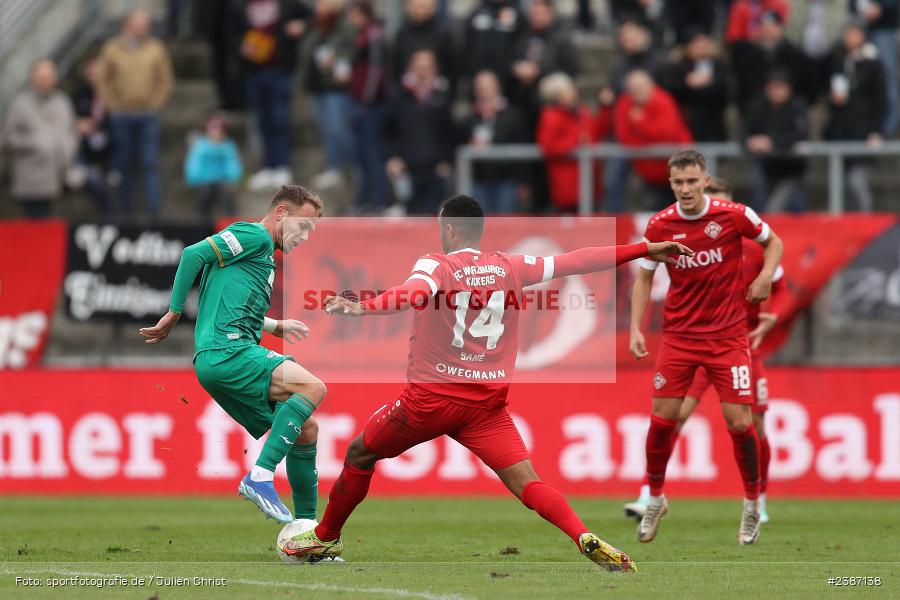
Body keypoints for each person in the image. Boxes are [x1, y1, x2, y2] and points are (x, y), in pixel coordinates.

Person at [281, 194, 694, 568]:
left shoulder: (436, 265)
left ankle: (324, 536)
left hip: (430, 401)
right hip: (486, 407)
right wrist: (645, 248)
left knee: (359, 454)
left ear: (447, 228)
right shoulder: (508, 265)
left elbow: (411, 293)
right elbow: (579, 260)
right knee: (528, 483)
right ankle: (579, 533)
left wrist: (362, 308)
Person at [139, 185, 327, 526]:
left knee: (307, 430)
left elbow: (229, 301)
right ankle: (260, 476)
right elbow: (192, 255)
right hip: (228, 352)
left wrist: (273, 326)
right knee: (313, 388)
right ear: (282, 213)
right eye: (304, 226)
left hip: (223, 356)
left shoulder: (262, 255)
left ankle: (308, 532)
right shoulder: (253, 234)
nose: (305, 237)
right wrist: (175, 312)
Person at [629, 149, 783, 546]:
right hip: (679, 336)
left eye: (692, 181)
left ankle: (751, 504)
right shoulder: (661, 224)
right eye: (678, 182)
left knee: (739, 423)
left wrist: (765, 276)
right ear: (671, 183)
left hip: (728, 337)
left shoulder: (733, 215)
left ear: (705, 179)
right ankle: (656, 498)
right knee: (662, 420)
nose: (685, 189)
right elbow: (644, 278)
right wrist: (636, 328)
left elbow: (774, 242)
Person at [97, 9, 174, 217]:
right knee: (124, 162)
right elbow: (103, 80)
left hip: (148, 114)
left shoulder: (156, 49)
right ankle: (126, 211)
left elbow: (165, 80)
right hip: (122, 114)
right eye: (138, 25)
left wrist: (155, 104)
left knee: (150, 163)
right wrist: (113, 106)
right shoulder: (112, 49)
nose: (143, 29)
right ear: (127, 26)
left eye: (146, 25)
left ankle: (153, 212)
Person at [241, 0, 311, 191]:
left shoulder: (286, 4)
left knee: (279, 119)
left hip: (279, 70)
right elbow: (231, 29)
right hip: (255, 70)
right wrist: (241, 46)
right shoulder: (244, 5)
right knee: (262, 121)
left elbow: (308, 14)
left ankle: (282, 165)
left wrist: (300, 25)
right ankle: (268, 166)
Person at [383, 50, 455, 215]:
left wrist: (446, 160)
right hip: (406, 169)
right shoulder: (399, 96)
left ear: (434, 69)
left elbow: (449, 132)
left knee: (434, 219)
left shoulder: (442, 96)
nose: (422, 72)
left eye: (426, 67)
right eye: (418, 67)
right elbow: (388, 130)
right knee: (408, 217)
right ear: (411, 69)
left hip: (435, 170)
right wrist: (393, 157)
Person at [4, 59, 78, 219]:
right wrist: (36, 144)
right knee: (38, 226)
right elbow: (9, 137)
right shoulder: (20, 104)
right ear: (33, 79)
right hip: (33, 180)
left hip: (62, 177)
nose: (46, 82)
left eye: (49, 77)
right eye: (41, 78)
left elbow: (71, 131)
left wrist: (68, 148)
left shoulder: (62, 101)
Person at [825, 21, 886, 212]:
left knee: (856, 182)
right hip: (839, 132)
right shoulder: (837, 60)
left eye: (854, 33)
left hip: (863, 131)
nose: (850, 38)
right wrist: (832, 99)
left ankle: (864, 225)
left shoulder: (873, 62)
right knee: (839, 184)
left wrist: (877, 130)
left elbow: (881, 100)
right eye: (847, 34)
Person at [612, 70, 693, 211]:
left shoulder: (663, 100)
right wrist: (647, 140)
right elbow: (625, 139)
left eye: (641, 88)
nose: (637, 93)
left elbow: (667, 135)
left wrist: (641, 123)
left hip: (677, 169)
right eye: (633, 90)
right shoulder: (624, 103)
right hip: (649, 172)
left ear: (651, 86)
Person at [535, 73, 608, 213]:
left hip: (589, 181)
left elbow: (597, 131)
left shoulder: (582, 112)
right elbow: (547, 146)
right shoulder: (551, 116)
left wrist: (605, 108)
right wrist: (576, 142)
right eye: (568, 90)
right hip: (568, 186)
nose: (573, 93)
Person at [304, 0, 356, 191]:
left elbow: (351, 50)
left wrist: (337, 61)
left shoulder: (344, 24)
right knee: (326, 129)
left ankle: (346, 168)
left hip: (336, 87)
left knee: (338, 129)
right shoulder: (315, 24)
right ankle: (333, 168)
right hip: (318, 85)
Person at [744, 70, 809, 212]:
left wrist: (772, 142)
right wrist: (751, 142)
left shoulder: (797, 106)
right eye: (774, 87)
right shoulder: (759, 106)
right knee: (763, 210)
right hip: (767, 167)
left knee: (777, 209)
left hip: (792, 169)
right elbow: (745, 133)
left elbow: (801, 135)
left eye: (781, 87)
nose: (777, 92)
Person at [464, 70, 527, 214]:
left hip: (506, 180)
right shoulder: (471, 116)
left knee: (504, 225)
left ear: (497, 87)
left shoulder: (512, 115)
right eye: (479, 87)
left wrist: (523, 182)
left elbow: (522, 147)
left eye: (487, 86)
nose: (483, 90)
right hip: (478, 180)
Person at [347, 0, 389, 213]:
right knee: (361, 154)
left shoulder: (373, 35)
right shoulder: (363, 35)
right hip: (361, 102)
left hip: (370, 105)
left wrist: (366, 99)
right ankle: (364, 199)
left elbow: (374, 70)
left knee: (372, 153)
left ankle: (379, 200)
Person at [662, 30, 729, 142]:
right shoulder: (679, 66)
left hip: (713, 123)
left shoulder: (718, 65)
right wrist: (688, 83)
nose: (701, 47)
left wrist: (706, 84)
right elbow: (673, 92)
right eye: (696, 44)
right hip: (688, 122)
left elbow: (722, 92)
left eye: (704, 43)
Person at [850, 0, 899, 135]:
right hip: (862, 26)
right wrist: (861, 9)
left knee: (887, 74)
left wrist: (879, 8)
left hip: (884, 29)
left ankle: (890, 125)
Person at [184, 114, 243, 215]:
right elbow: (194, 165)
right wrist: (196, 179)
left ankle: (230, 219)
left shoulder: (228, 147)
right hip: (204, 181)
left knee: (227, 194)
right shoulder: (200, 146)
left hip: (223, 181)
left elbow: (233, 165)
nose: (215, 133)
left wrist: (233, 178)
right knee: (205, 194)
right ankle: (203, 220)